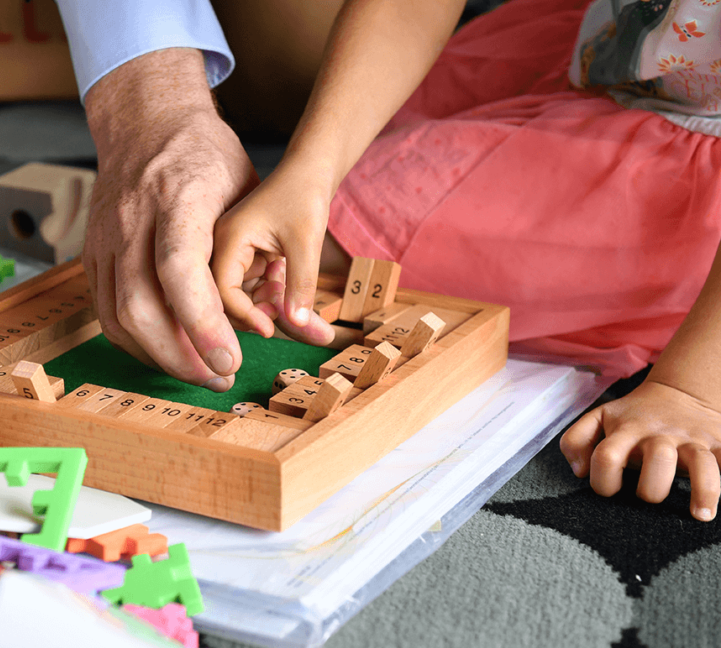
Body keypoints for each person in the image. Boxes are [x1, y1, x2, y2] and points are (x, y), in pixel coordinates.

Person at [56, 0, 721, 523]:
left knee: (355, 242)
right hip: (608, 55)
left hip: (687, 179)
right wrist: (310, 172)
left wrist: (692, 390)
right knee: (328, 203)